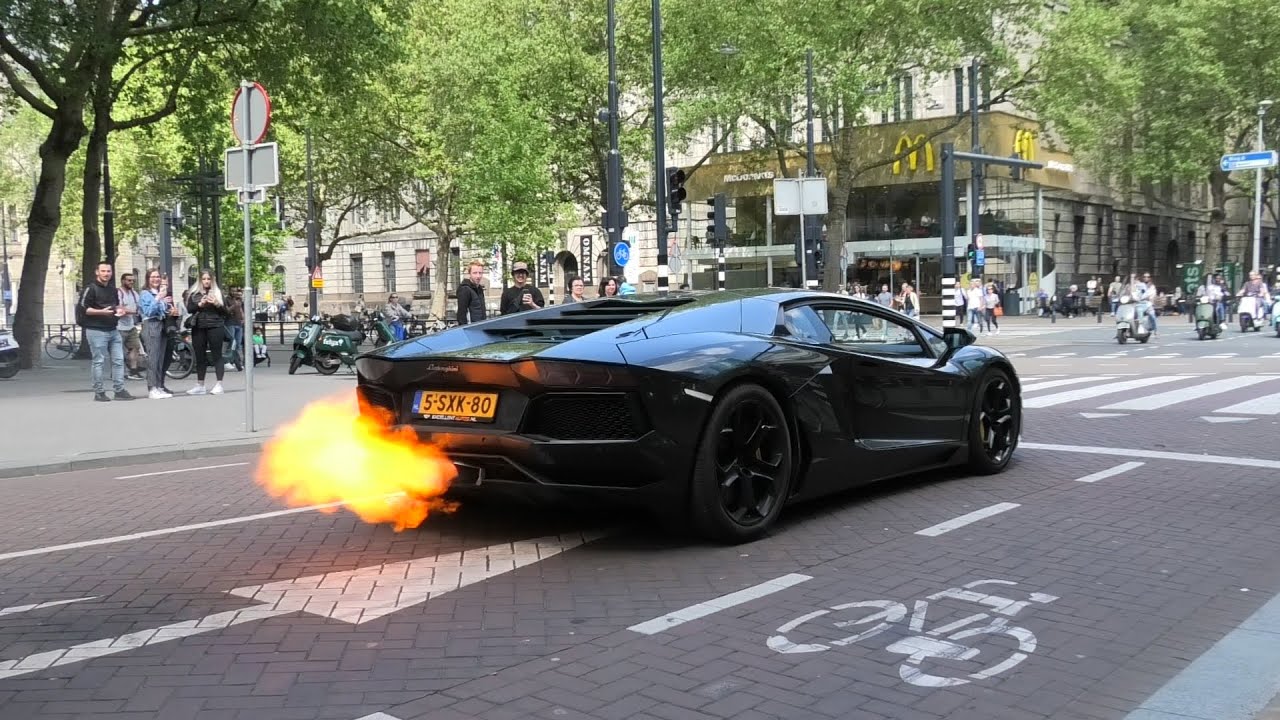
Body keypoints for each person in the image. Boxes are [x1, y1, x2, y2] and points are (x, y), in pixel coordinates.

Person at [79, 261, 133, 402]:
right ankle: (99, 392)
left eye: (108, 271)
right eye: (103, 271)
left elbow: (114, 307)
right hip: (96, 330)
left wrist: (119, 311)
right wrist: (101, 312)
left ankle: (119, 390)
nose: (106, 274)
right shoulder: (90, 289)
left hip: (113, 329)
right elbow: (84, 309)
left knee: (118, 360)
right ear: (97, 272)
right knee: (99, 361)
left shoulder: (112, 290)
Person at [185, 270, 230, 395]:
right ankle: (200, 384)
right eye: (204, 279)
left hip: (215, 326)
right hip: (198, 327)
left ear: (212, 280)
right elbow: (189, 309)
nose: (206, 281)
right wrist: (200, 303)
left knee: (217, 355)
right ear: (200, 280)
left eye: (208, 279)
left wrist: (216, 303)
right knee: (200, 356)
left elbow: (226, 313)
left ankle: (219, 384)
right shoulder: (194, 293)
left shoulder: (217, 292)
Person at [138, 269, 178, 399]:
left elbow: (163, 311)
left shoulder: (160, 293)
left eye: (158, 277)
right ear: (148, 279)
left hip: (161, 325)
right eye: (153, 277)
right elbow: (148, 311)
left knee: (160, 358)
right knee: (153, 358)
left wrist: (170, 310)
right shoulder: (145, 293)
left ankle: (158, 385)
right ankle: (152, 388)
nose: (156, 279)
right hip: (151, 324)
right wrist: (158, 298)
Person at [117, 272, 144, 381]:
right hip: (118, 327)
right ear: (123, 281)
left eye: (133, 280)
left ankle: (133, 370)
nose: (131, 282)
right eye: (129, 280)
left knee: (135, 347)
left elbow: (140, 305)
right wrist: (133, 311)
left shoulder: (134, 293)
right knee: (118, 352)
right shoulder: (118, 292)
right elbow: (119, 308)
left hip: (130, 326)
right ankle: (119, 373)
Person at [457, 261, 487, 325]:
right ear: (469, 274)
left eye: (480, 273)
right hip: (471, 328)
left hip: (480, 326)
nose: (478, 276)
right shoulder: (465, 289)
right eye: (475, 273)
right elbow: (461, 314)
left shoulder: (480, 289)